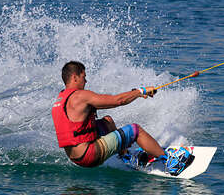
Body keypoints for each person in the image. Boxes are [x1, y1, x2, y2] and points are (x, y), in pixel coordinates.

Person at [52, 61, 190, 173]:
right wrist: (140, 91)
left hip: (75, 157)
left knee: (107, 122)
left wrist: (134, 94)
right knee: (135, 130)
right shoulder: (80, 96)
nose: (86, 81)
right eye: (84, 77)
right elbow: (118, 101)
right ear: (75, 77)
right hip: (89, 154)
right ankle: (171, 162)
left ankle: (126, 156)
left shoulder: (61, 99)